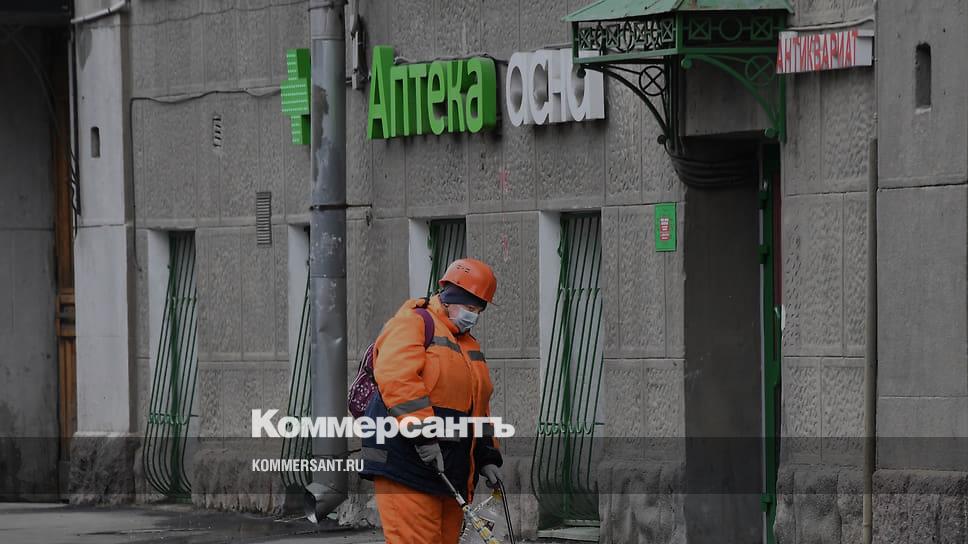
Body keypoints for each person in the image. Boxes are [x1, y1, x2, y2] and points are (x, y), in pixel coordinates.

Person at [359, 258, 503, 544]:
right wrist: (424, 436)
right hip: (406, 464)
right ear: (450, 298)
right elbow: (398, 380)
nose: (473, 316)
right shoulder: (414, 323)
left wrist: (486, 456)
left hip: (449, 470)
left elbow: (478, 407)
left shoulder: (467, 345)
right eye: (470, 307)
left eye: (478, 310)